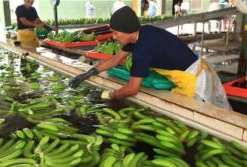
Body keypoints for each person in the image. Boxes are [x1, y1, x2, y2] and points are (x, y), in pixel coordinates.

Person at [69, 6, 231, 110]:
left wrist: (109, 96)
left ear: (128, 31)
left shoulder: (143, 49)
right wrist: (91, 71)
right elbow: (116, 59)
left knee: (205, 119)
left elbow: (133, 88)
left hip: (195, 81)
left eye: (116, 32)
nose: (113, 36)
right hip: (196, 71)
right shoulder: (141, 33)